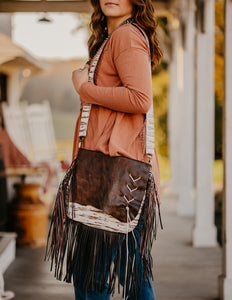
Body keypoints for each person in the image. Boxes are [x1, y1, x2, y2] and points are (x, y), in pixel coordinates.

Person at [71, 0, 162, 299]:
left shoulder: (125, 36)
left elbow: (140, 98)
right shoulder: (116, 37)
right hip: (124, 174)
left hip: (113, 175)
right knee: (133, 275)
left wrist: (85, 89)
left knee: (91, 277)